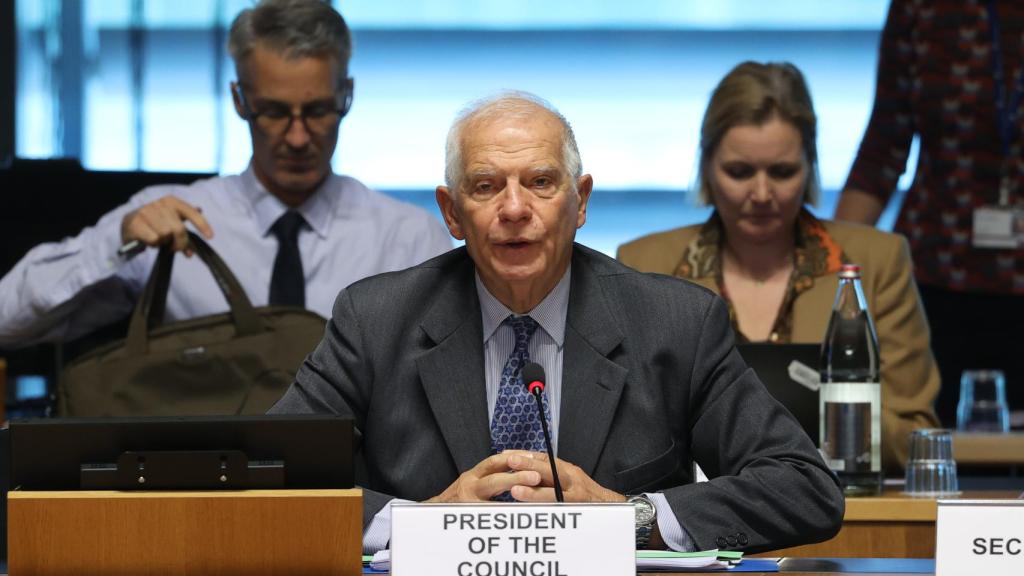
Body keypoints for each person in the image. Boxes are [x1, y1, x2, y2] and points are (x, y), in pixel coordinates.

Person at [271, 91, 844, 554]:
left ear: (581, 202)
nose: (515, 209)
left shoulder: (675, 323)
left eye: (541, 183)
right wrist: (421, 523)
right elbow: (266, 479)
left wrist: (627, 516)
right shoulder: (376, 320)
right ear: (451, 212)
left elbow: (804, 487)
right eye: (486, 185)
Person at [0, 0, 450, 348]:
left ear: (346, 96)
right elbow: (8, 320)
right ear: (240, 100)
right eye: (273, 112)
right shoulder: (166, 218)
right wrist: (116, 242)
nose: (297, 137)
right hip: (200, 464)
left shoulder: (407, 239)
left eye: (316, 111)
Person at [617, 62, 939, 472]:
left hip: (846, 510)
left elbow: (914, 437)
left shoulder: (875, 262)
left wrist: (824, 416)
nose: (762, 193)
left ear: (810, 169)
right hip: (697, 519)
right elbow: (629, 435)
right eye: (739, 172)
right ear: (706, 169)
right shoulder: (646, 265)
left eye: (783, 172)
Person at [835, 0, 1024, 426]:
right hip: (934, 278)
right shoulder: (922, 8)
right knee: (924, 440)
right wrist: (825, 267)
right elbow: (885, 142)